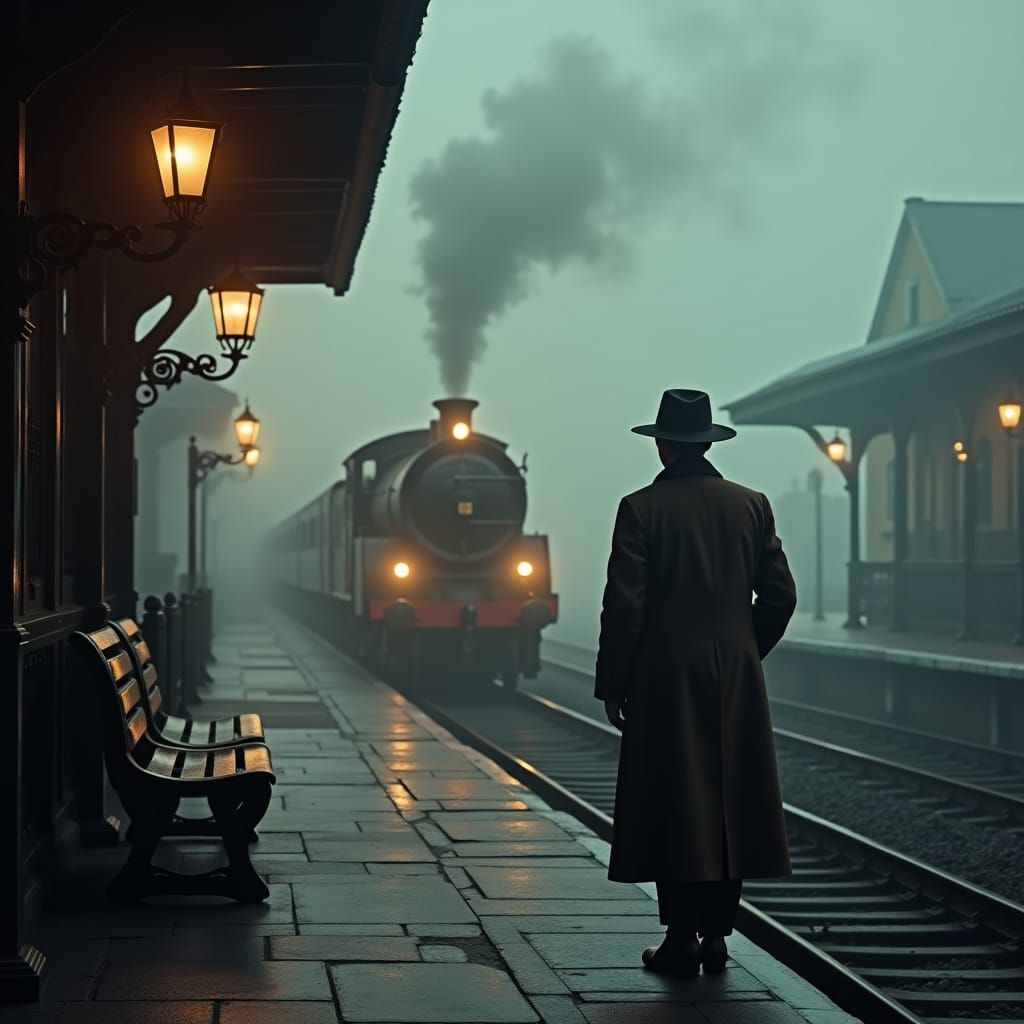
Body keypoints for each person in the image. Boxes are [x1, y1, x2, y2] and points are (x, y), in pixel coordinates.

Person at [595, 388, 797, 977]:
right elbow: (780, 596)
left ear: (662, 445)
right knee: (730, 795)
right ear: (707, 442)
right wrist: (742, 650)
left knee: (673, 796)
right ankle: (717, 937)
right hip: (736, 674)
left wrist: (615, 681)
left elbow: (625, 606)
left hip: (664, 676)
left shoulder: (640, 509)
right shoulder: (752, 504)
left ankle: (680, 937)